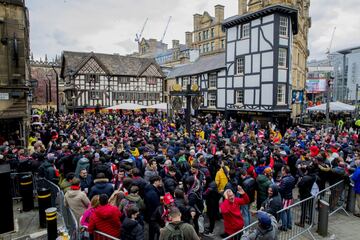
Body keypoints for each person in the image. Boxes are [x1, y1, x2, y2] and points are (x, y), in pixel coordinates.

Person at [278, 165, 296, 231]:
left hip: (284, 198)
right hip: (290, 196)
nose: (281, 171)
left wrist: (278, 186)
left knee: (283, 211)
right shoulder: (292, 177)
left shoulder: (284, 179)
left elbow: (281, 189)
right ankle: (289, 225)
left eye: (282, 170)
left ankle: (284, 226)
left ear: (284, 171)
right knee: (288, 211)